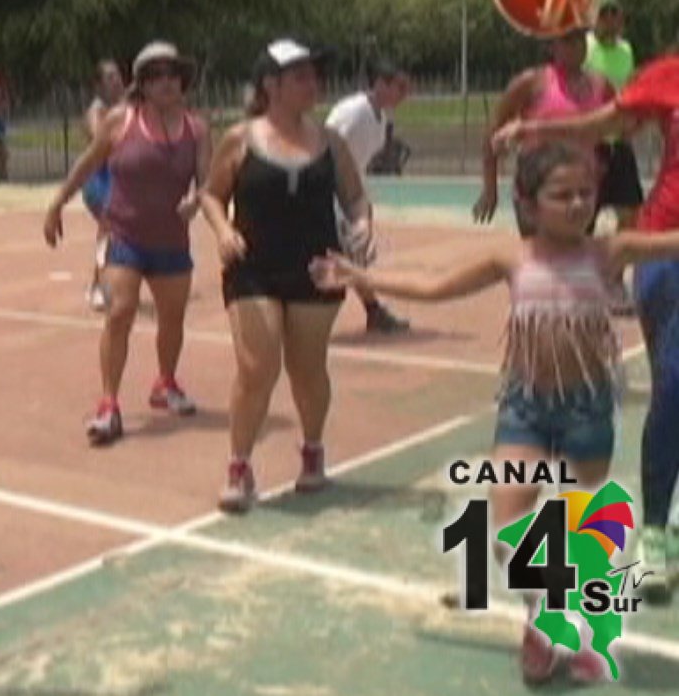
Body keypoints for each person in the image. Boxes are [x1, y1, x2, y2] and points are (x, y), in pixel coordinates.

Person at [311, 140, 679, 683]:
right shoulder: (511, 257)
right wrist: (363, 278)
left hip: (589, 410)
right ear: (528, 202)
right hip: (525, 408)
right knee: (508, 532)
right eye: (562, 195)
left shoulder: (610, 250)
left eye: (586, 193)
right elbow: (434, 287)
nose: (579, 204)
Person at [492, 54, 679, 601]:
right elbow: (603, 124)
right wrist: (533, 129)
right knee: (674, 383)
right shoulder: (669, 75)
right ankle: (654, 528)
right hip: (667, 244)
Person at [200, 38, 372, 510]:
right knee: (257, 367)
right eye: (300, 76)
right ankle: (239, 466)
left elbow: (355, 197)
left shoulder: (330, 142)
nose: (312, 84)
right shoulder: (240, 139)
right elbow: (211, 195)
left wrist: (362, 225)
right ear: (270, 85)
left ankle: (312, 452)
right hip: (252, 268)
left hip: (317, 268)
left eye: (314, 75)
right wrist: (223, 230)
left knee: (308, 367)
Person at [44, 41, 209, 445]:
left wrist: (196, 200)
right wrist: (58, 202)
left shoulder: (197, 129)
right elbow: (87, 163)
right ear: (143, 85)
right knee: (120, 312)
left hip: (171, 240)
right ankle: (109, 404)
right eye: (156, 76)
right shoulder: (121, 121)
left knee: (172, 319)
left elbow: (207, 181)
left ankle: (165, 382)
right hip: (126, 236)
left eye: (172, 74)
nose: (166, 82)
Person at [474, 26, 612, 233]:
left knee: (576, 251)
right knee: (539, 252)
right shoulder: (531, 83)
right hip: (536, 190)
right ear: (551, 46)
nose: (577, 46)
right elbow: (493, 134)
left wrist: (603, 162)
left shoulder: (601, 85)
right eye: (568, 40)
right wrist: (490, 189)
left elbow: (618, 127)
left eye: (581, 38)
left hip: (580, 188)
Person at [325, 59, 412, 333]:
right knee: (343, 256)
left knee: (354, 255)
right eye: (400, 87)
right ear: (380, 84)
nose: (405, 94)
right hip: (328, 193)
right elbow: (324, 148)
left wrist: (361, 204)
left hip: (347, 196)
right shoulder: (353, 111)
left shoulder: (381, 119)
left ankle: (373, 311)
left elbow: (357, 166)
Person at [586, 0, 643, 312]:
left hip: (620, 144)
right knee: (583, 218)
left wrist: (634, 121)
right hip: (590, 145)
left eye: (614, 14)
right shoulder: (584, 48)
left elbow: (631, 89)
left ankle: (614, 281)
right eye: (603, 14)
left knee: (631, 216)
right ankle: (579, 284)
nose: (609, 20)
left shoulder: (626, 50)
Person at [80, 59, 126, 312]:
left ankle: (107, 282)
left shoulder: (122, 108)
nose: (116, 81)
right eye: (109, 77)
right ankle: (97, 285)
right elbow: (102, 140)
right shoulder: (97, 111)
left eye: (117, 75)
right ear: (98, 85)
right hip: (98, 181)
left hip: (117, 181)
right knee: (107, 231)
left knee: (117, 234)